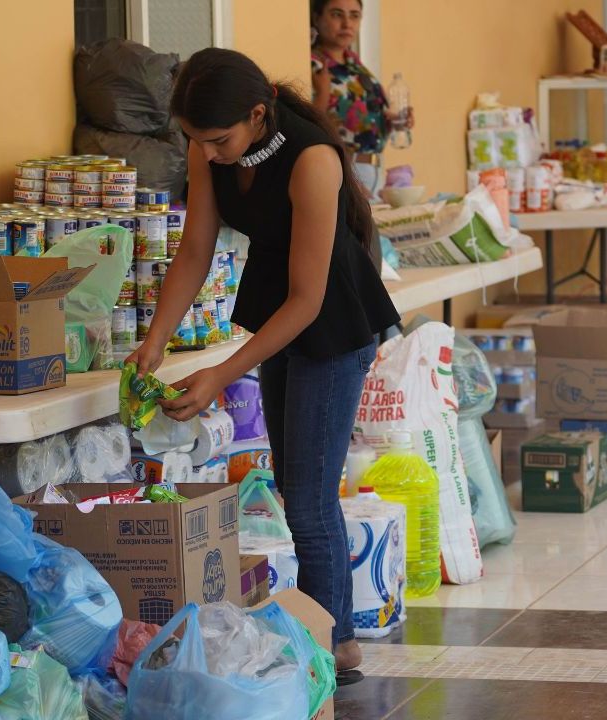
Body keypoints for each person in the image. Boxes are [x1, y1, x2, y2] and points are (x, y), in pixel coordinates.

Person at [125, 47, 400, 682]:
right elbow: (195, 248)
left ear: (257, 114)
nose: (210, 153)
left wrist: (221, 374)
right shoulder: (210, 148)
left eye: (219, 140)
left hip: (331, 322)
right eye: (197, 141)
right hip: (282, 312)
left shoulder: (312, 161)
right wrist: (156, 338)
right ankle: (330, 636)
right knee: (293, 486)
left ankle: (333, 647)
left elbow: (310, 301)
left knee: (307, 497)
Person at [310, 0, 413, 196]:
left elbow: (362, 120)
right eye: (337, 14)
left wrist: (393, 121)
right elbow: (306, 125)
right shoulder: (314, 66)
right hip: (341, 169)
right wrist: (323, 94)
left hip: (372, 169)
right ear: (317, 18)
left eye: (354, 16)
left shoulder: (356, 66)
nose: (347, 23)